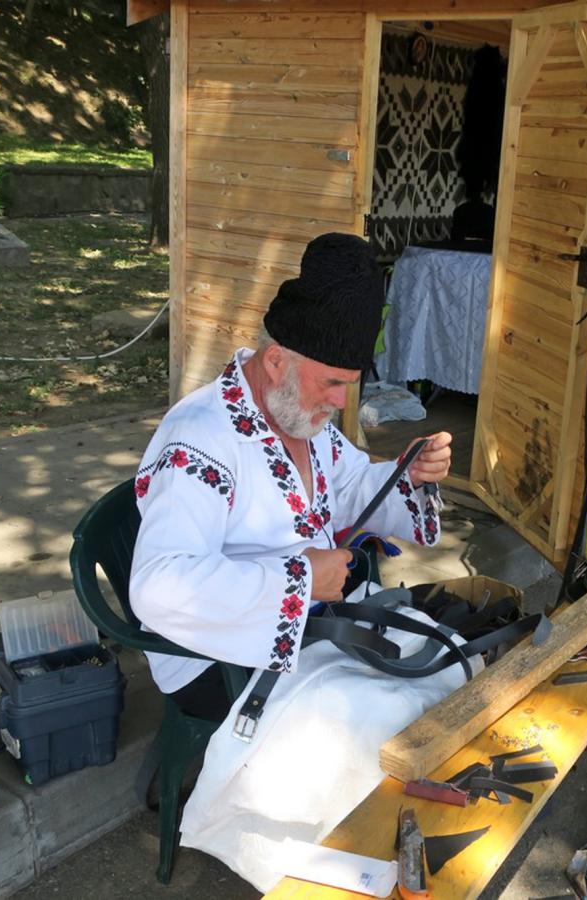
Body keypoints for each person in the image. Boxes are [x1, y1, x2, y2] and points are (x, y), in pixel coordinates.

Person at [129, 232, 452, 718]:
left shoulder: (301, 416)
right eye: (332, 383)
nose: (341, 401)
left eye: (350, 384)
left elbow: (349, 487)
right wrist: (299, 581)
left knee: (442, 664)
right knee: (385, 715)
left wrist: (408, 476)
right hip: (215, 653)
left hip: (312, 616)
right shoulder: (200, 440)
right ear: (276, 361)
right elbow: (158, 586)